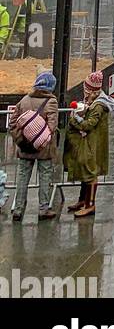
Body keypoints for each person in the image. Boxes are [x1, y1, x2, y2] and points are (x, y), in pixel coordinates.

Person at [63, 71, 114, 218]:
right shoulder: (91, 102)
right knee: (86, 172)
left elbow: (89, 125)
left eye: (86, 88)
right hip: (89, 142)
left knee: (91, 174)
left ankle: (90, 204)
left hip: (94, 145)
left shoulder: (98, 106)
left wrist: (75, 119)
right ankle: (82, 200)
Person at [8, 71, 59, 222]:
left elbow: (12, 123)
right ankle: (43, 209)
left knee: (23, 177)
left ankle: (18, 209)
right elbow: (53, 126)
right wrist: (41, 140)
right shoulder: (51, 102)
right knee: (45, 176)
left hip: (24, 147)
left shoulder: (24, 100)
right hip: (44, 149)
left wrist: (21, 140)